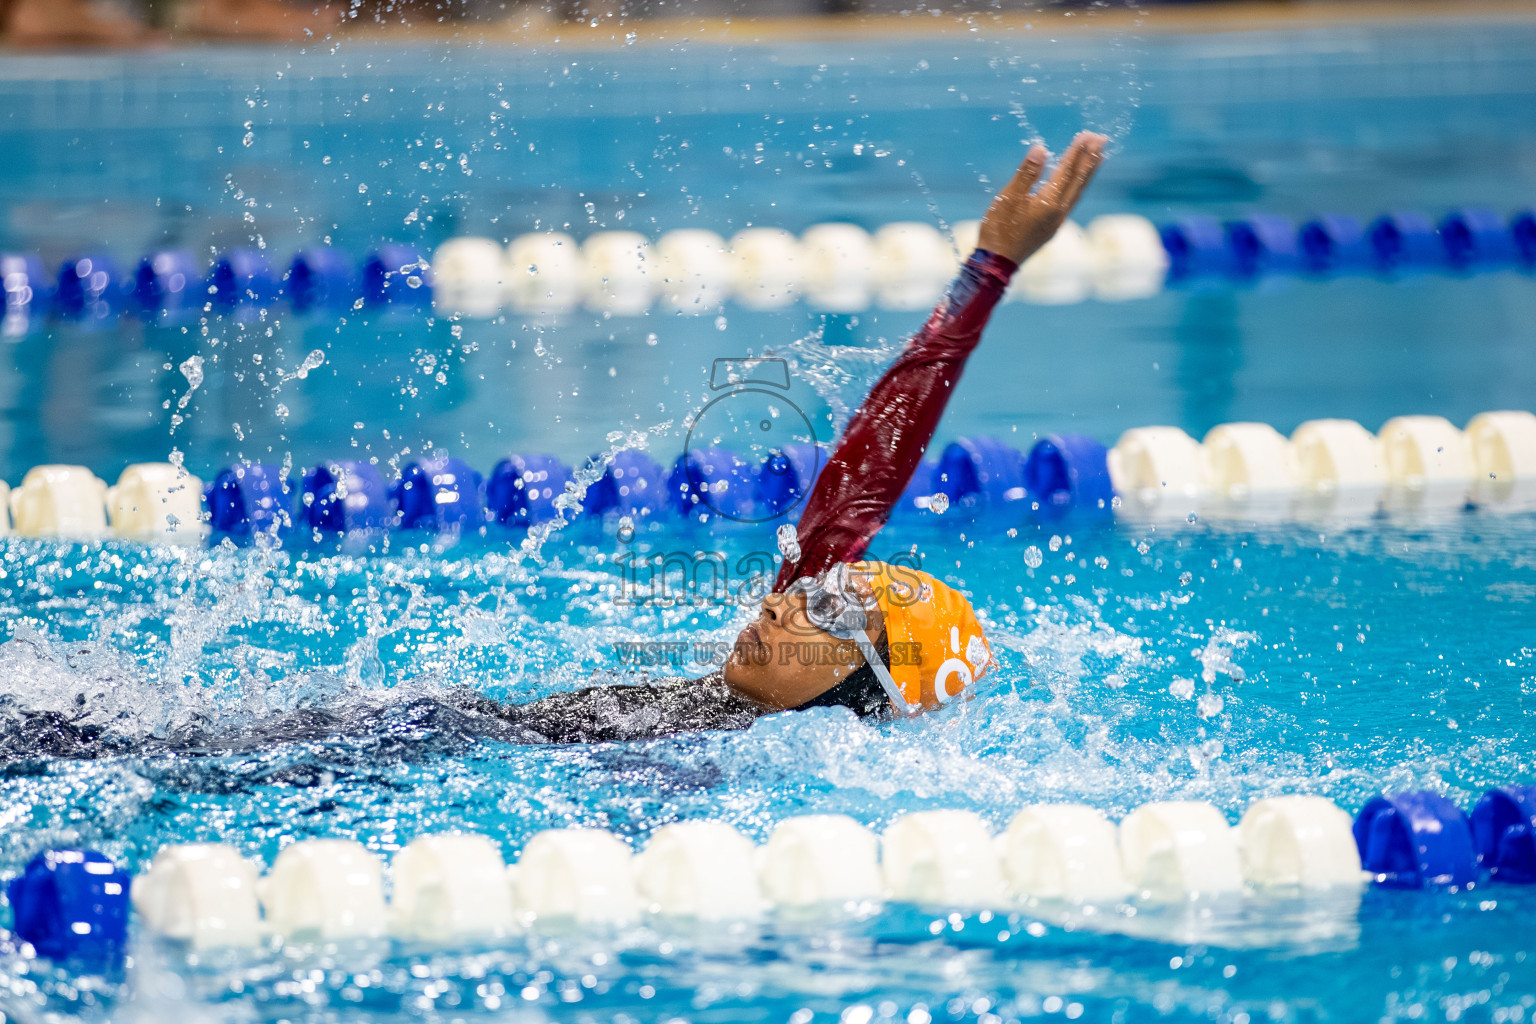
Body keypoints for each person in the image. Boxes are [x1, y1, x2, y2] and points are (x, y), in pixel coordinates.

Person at [462, 131, 1109, 744]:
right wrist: (987, 269)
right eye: (810, 590)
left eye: (827, 611)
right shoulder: (747, 704)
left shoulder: (726, 761)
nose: (780, 604)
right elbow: (871, 461)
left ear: (870, 687)